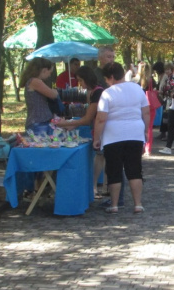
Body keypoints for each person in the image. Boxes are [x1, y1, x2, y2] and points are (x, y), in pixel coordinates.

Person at [93, 61, 150, 214]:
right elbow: (146, 112)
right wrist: (145, 131)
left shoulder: (108, 93)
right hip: (135, 133)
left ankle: (115, 205)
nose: (105, 81)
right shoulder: (137, 89)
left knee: (114, 171)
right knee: (135, 170)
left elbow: (101, 118)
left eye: (106, 78)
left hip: (113, 136)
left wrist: (96, 137)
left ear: (111, 77)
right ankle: (138, 204)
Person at [54, 66, 105, 198]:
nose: (79, 84)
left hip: (103, 128)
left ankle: (94, 186)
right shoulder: (91, 92)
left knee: (101, 157)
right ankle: (95, 185)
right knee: (100, 157)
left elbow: (88, 118)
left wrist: (68, 123)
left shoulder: (97, 92)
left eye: (81, 80)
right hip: (98, 127)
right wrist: (73, 124)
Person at [21, 57, 58, 136]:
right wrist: (55, 91)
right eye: (49, 72)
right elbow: (53, 95)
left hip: (40, 121)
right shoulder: (35, 81)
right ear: (44, 70)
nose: (49, 75)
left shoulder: (33, 81)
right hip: (38, 123)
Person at [138, 62, 159, 155]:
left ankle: (141, 146)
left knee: (140, 127)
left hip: (140, 106)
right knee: (149, 127)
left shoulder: (137, 80)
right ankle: (148, 148)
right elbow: (156, 90)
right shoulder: (151, 80)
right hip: (150, 105)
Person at [157, 62, 174, 141]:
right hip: (168, 99)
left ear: (171, 70)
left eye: (168, 69)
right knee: (166, 117)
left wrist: (163, 92)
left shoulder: (172, 78)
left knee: (170, 117)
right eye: (166, 70)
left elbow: (172, 90)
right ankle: (168, 134)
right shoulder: (169, 77)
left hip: (170, 100)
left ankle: (171, 135)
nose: (167, 71)